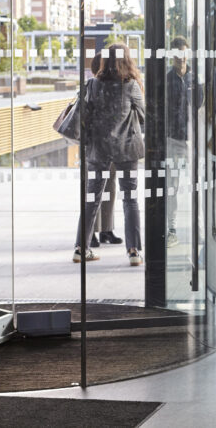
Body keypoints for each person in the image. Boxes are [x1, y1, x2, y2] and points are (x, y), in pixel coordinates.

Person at [73, 42, 145, 266]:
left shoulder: (93, 85)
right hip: (126, 150)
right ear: (127, 60)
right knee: (130, 199)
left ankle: (80, 248)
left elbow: (84, 116)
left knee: (91, 199)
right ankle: (133, 252)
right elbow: (144, 115)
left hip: (99, 150)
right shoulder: (131, 85)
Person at [88, 49, 121, 248]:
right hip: (94, 148)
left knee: (110, 188)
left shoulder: (116, 88)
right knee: (93, 192)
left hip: (111, 147)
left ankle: (106, 230)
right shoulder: (91, 86)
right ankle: (90, 231)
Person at [166, 35, 196, 247]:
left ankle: (200, 229)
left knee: (198, 185)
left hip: (194, 141)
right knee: (172, 186)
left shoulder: (196, 79)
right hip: (174, 140)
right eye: (177, 54)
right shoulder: (165, 79)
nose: (181, 57)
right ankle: (172, 228)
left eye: (183, 53)